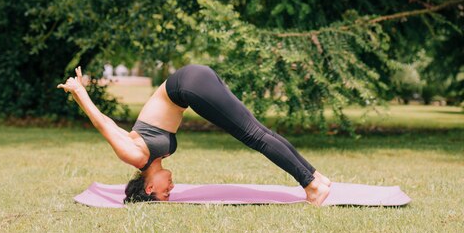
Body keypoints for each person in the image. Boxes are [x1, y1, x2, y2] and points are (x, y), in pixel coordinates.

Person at [57, 64, 332, 206]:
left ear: (149, 188)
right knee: (257, 132)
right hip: (190, 83)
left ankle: (311, 185)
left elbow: (104, 125)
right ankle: (315, 177)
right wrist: (81, 97)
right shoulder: (147, 155)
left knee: (254, 135)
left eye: (164, 194)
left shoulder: (133, 155)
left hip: (188, 86)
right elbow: (109, 121)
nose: (172, 189)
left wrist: (80, 93)